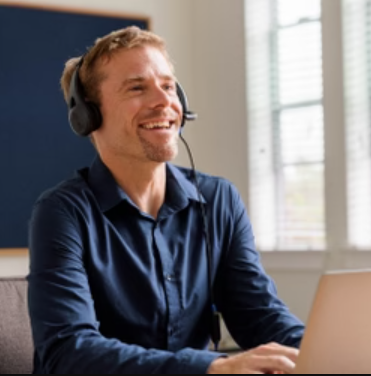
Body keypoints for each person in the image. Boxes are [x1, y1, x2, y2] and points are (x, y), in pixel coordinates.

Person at [28, 26, 304, 374]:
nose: (165, 101)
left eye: (169, 86)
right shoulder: (62, 213)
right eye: (137, 87)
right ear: (88, 116)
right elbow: (68, 352)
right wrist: (212, 367)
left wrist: (321, 352)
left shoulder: (218, 200)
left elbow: (260, 315)